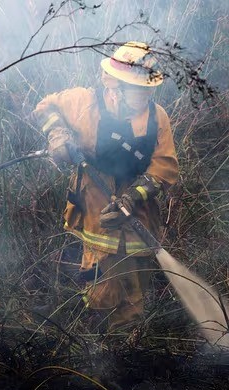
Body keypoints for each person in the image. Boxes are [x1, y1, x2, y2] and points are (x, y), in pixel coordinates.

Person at [33, 42, 179, 332]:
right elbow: (45, 107)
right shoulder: (83, 103)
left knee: (135, 283)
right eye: (139, 88)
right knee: (101, 282)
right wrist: (58, 135)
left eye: (148, 88)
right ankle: (97, 340)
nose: (146, 94)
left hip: (138, 214)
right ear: (115, 85)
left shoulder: (156, 116)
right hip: (95, 206)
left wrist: (134, 197)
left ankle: (126, 344)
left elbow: (163, 165)